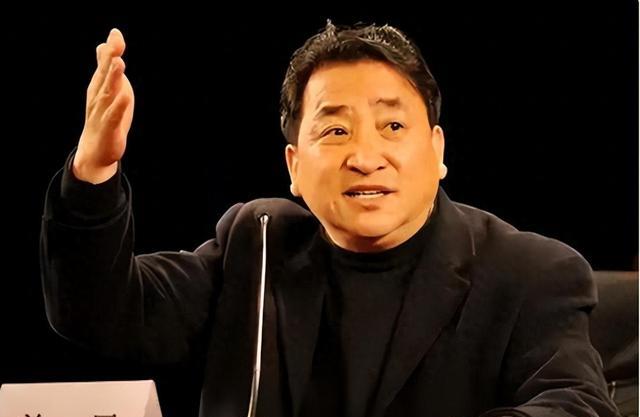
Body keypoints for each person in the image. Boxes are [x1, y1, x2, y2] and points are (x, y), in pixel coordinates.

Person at [40, 21, 620, 417]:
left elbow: (576, 404)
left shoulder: (529, 272)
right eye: (336, 130)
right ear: (294, 166)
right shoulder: (256, 246)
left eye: (393, 126)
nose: (365, 155)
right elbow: (99, 312)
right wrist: (94, 171)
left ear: (438, 150)